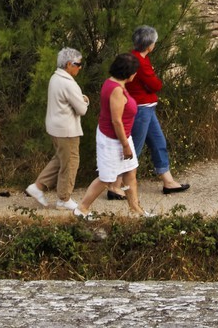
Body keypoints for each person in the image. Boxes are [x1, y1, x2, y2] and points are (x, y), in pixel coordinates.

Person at [76, 54, 145, 218]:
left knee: (130, 172)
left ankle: (135, 209)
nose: (135, 74)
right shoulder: (116, 90)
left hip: (122, 137)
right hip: (113, 140)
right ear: (128, 73)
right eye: (134, 71)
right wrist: (125, 145)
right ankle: (82, 209)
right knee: (106, 178)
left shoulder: (113, 82)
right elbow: (116, 121)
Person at [25, 46, 89, 211]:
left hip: (55, 126)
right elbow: (82, 109)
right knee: (71, 162)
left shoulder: (55, 78)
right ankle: (64, 199)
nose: (79, 67)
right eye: (77, 64)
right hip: (67, 130)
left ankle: (38, 186)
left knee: (60, 159)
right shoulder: (69, 83)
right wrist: (85, 100)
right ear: (69, 64)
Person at [129, 25, 190, 194]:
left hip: (147, 107)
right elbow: (155, 84)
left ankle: (168, 181)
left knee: (158, 142)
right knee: (135, 147)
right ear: (150, 45)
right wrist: (152, 84)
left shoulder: (137, 57)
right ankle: (116, 184)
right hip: (141, 108)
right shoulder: (139, 61)